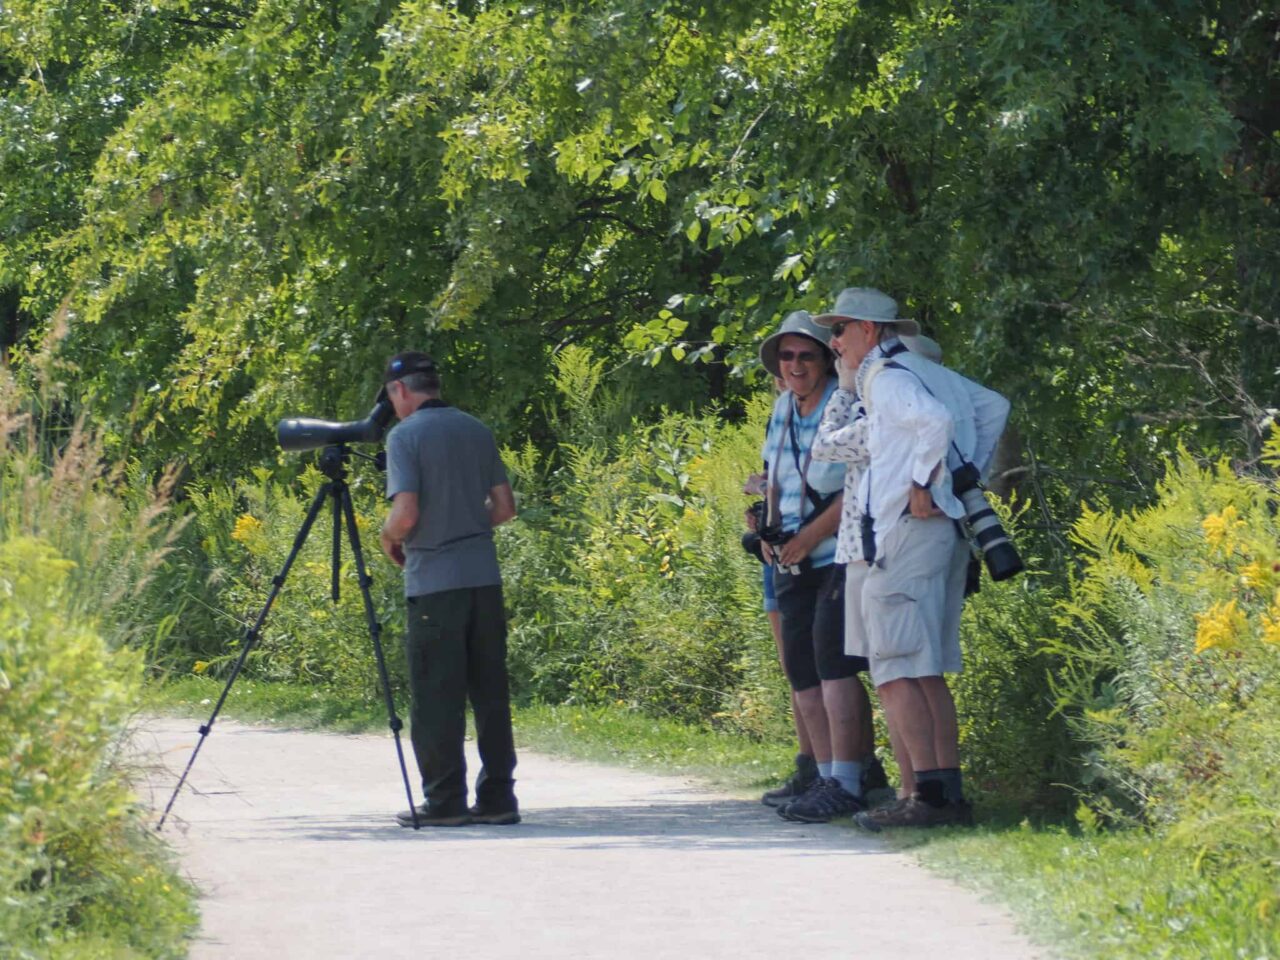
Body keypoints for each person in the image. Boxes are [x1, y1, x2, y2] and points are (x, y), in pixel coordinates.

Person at [812, 288, 1009, 828]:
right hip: (936, 532)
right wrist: (964, 479)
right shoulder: (922, 371)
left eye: (842, 329)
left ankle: (925, 800)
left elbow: (932, 424)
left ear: (869, 332)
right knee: (924, 669)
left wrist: (928, 479)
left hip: (903, 530)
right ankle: (945, 795)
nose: (834, 341)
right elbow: (994, 406)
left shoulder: (890, 378)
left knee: (894, 669)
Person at [379, 351, 520, 827]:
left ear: (401, 391)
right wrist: (463, 521)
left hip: (435, 583)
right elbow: (504, 507)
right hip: (483, 577)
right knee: (490, 690)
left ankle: (444, 800)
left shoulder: (405, 436)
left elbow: (406, 515)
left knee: (437, 693)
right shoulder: (475, 429)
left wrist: (388, 537)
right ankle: (499, 797)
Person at [755, 310, 885, 823]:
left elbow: (855, 485)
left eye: (806, 355)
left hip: (834, 554)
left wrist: (809, 535)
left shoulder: (844, 405)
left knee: (836, 668)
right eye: (786, 356)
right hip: (787, 558)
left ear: (826, 359)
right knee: (802, 673)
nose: (795, 365)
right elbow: (773, 476)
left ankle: (848, 778)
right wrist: (763, 524)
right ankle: (825, 775)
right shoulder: (782, 408)